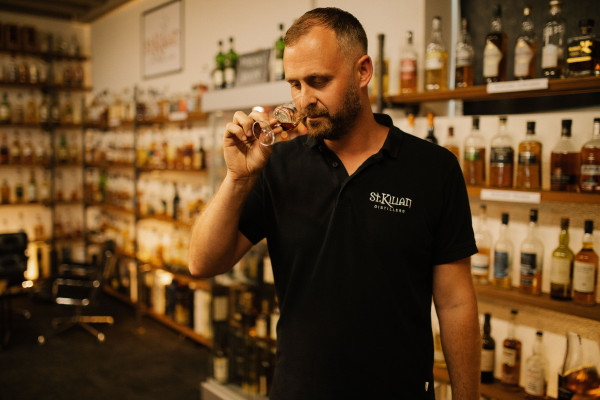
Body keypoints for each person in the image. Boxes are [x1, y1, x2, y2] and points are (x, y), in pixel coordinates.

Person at [190, 7, 480, 400]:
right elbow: (202, 263)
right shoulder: (277, 166)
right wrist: (237, 179)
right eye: (294, 84)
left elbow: (456, 302)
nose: (304, 100)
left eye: (318, 81)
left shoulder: (433, 168)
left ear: (363, 71)